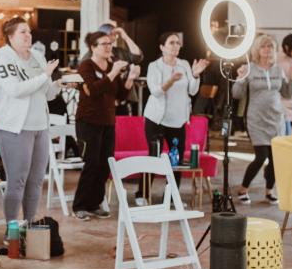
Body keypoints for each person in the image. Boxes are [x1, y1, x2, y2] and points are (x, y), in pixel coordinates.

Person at [0, 17, 63, 236]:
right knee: (17, 180)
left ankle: (29, 228)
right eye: (23, 32)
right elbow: (15, 90)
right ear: (10, 36)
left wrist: (59, 84)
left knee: (36, 180)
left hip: (40, 126)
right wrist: (45, 76)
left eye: (29, 32)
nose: (28, 36)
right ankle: (12, 232)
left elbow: (47, 93)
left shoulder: (38, 56)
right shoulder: (3, 56)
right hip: (13, 127)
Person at [72, 31, 140, 220]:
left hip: (108, 121)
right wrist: (113, 73)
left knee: (105, 165)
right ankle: (80, 205)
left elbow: (120, 96)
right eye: (104, 44)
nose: (109, 46)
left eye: (110, 43)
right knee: (91, 164)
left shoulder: (111, 66)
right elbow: (93, 91)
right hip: (88, 121)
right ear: (93, 47)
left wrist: (130, 78)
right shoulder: (86, 66)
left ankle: (94, 204)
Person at [138, 32, 209, 205]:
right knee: (154, 157)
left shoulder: (184, 64)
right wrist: (170, 80)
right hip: (156, 119)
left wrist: (195, 75)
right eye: (171, 42)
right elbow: (155, 92)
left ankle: (171, 197)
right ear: (162, 47)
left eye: (178, 42)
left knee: (176, 160)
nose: (176, 45)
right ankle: (142, 194)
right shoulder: (154, 66)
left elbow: (192, 91)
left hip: (178, 120)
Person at [233, 34, 292, 205]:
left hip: (276, 119)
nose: (267, 50)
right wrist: (240, 78)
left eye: (270, 46)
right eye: (263, 46)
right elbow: (237, 94)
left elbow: (287, 94)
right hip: (256, 120)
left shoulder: (278, 70)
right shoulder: (249, 68)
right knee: (261, 157)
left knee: (275, 158)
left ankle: (269, 191)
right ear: (257, 50)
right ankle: (243, 188)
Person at [83, 21, 143, 114]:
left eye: (115, 34)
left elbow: (137, 57)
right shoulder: (89, 58)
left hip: (123, 99)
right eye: (110, 33)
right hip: (102, 103)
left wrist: (125, 36)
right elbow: (90, 87)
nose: (113, 36)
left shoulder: (119, 52)